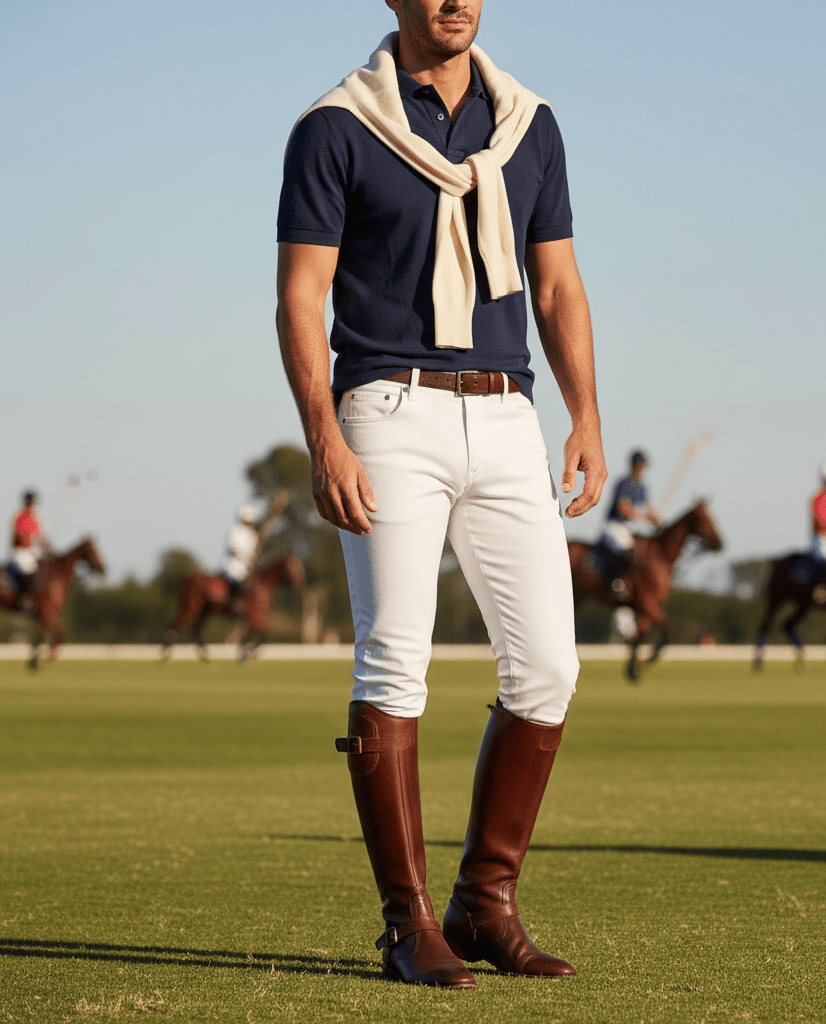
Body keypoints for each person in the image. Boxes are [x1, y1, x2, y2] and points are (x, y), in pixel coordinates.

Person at [276, 0, 606, 990]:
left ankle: (483, 903)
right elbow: (300, 293)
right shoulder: (336, 124)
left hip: (508, 411)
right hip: (387, 405)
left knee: (548, 666)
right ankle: (405, 922)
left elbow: (557, 285)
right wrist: (323, 433)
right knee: (395, 658)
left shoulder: (530, 124)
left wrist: (585, 412)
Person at [598, 450, 660, 596]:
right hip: (615, 526)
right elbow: (624, 510)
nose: (642, 469)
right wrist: (644, 516)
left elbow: (648, 508)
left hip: (631, 529)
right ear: (634, 466)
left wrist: (656, 519)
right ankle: (617, 581)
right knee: (628, 550)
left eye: (644, 466)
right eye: (640, 465)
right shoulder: (624, 483)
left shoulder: (643, 487)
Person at [7, 490, 49, 606]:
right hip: (21, 551)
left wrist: (46, 542)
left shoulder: (35, 518)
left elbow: (39, 535)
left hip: (33, 551)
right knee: (29, 570)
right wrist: (27, 539)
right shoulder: (18, 516)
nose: (32, 504)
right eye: (30, 502)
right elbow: (16, 534)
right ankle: (25, 597)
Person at [223, 506, 259, 610]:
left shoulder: (253, 535)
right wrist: (243, 555)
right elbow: (232, 549)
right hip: (233, 565)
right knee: (235, 581)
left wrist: (253, 558)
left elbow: (254, 553)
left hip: (247, 567)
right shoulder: (235, 530)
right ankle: (233, 603)